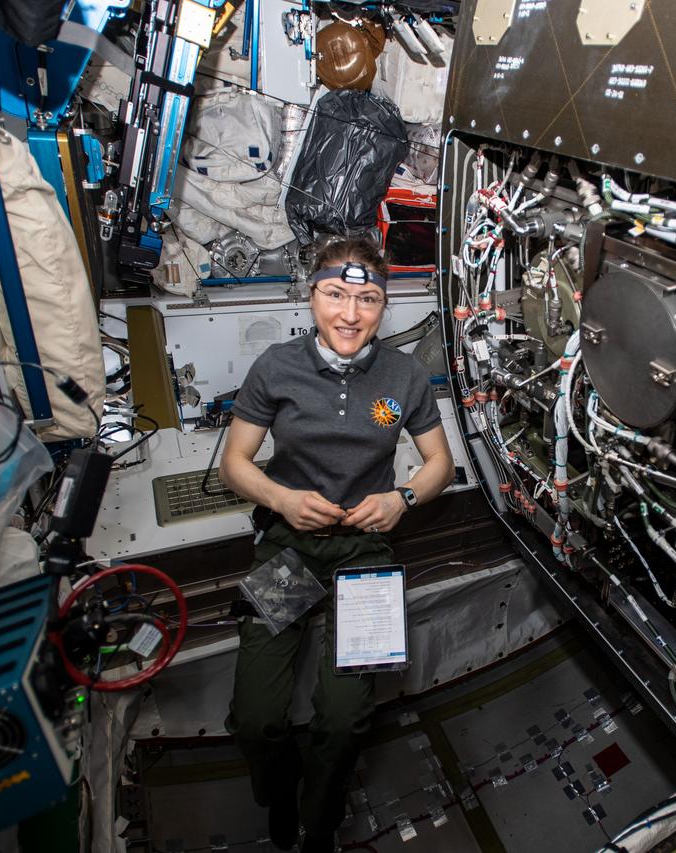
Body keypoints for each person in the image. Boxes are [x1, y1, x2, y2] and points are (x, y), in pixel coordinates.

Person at [220, 237, 455, 853]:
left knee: (346, 717)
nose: (350, 314)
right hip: (290, 548)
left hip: (363, 552)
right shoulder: (276, 366)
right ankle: (279, 794)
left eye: (367, 299)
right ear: (312, 295)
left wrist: (401, 499)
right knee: (257, 718)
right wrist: (281, 500)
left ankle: (318, 823)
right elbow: (235, 464)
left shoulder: (403, 375)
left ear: (384, 305)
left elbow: (439, 464)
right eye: (335, 295)